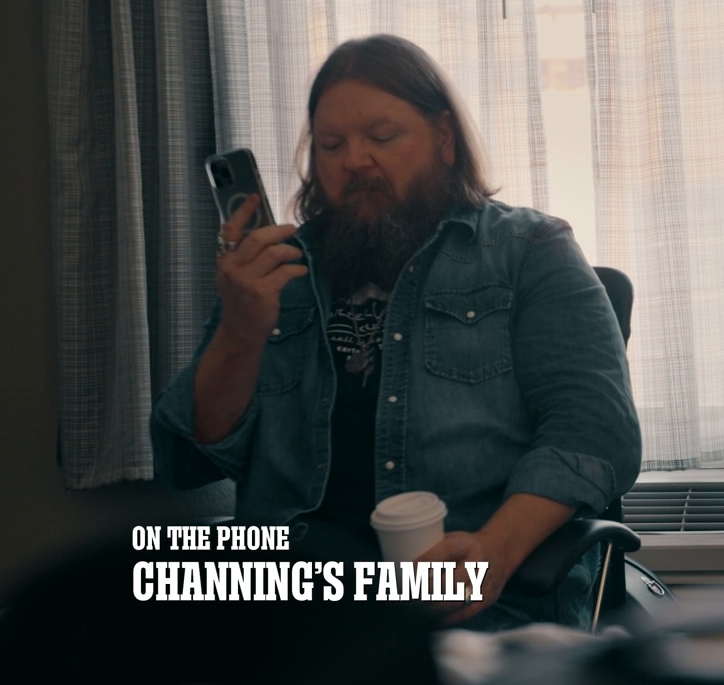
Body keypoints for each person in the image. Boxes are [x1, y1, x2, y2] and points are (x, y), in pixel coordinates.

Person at [150, 34, 641, 631]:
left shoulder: (530, 251)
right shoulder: (275, 273)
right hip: (290, 596)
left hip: (468, 591)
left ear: (444, 137)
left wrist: (495, 550)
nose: (354, 161)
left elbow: (594, 433)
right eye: (331, 145)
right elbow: (185, 461)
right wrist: (240, 331)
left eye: (381, 137)